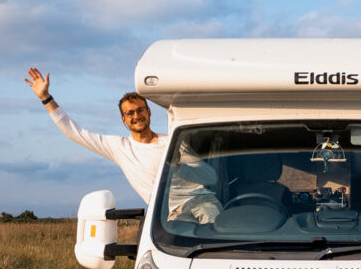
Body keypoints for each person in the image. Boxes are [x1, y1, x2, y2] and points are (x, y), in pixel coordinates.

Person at [24, 67, 221, 220]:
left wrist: (179, 167)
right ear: (124, 120)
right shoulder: (120, 148)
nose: (137, 116)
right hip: (167, 216)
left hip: (199, 202)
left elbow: (210, 177)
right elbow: (75, 133)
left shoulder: (172, 142)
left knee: (214, 230)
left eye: (141, 110)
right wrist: (46, 98)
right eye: (130, 113)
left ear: (149, 112)